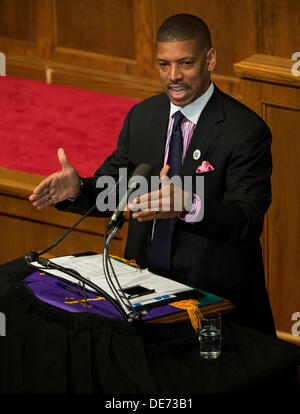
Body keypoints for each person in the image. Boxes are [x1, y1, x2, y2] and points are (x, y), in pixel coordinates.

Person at [29, 14, 276, 335]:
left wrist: (189, 204)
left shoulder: (245, 131)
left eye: (185, 63)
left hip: (215, 305)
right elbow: (115, 192)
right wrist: (78, 190)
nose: (174, 76)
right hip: (143, 295)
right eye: (164, 65)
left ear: (210, 59)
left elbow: (247, 221)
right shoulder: (143, 116)